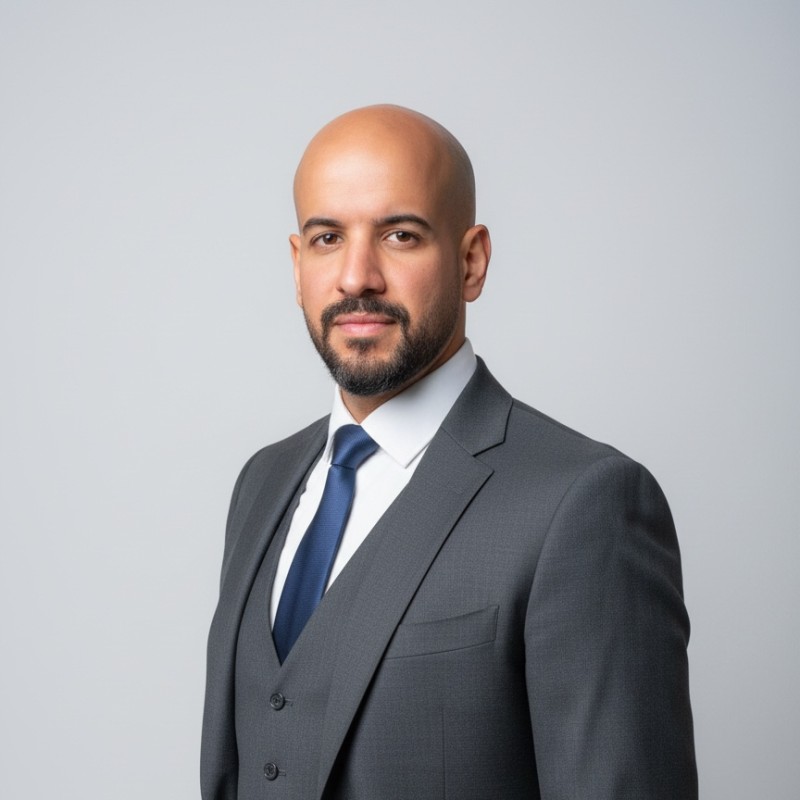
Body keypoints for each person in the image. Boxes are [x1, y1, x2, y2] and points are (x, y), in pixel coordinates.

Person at [201, 105, 697, 800]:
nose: (356, 277)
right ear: (297, 263)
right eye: (327, 238)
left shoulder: (583, 502)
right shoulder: (264, 481)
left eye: (400, 235)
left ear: (471, 262)